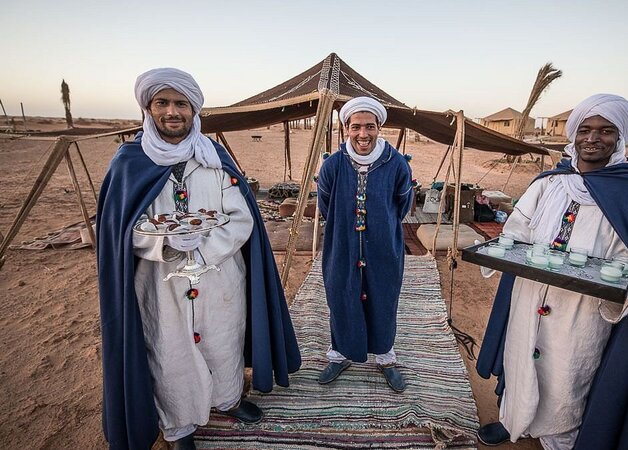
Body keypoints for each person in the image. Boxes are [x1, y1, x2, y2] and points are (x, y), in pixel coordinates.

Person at [96, 68, 301, 450]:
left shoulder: (213, 156)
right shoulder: (129, 161)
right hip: (161, 283)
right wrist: (166, 244)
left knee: (223, 342)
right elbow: (122, 229)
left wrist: (205, 249)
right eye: (163, 103)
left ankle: (227, 400)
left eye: (181, 104)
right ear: (148, 107)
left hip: (221, 275)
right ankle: (179, 425)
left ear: (193, 110)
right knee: (169, 352)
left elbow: (241, 217)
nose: (172, 111)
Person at [475, 94, 628, 449]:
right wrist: (501, 250)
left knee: (567, 375)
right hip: (531, 292)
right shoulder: (549, 183)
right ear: (574, 134)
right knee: (520, 357)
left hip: (582, 311)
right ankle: (513, 419)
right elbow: (517, 229)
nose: (593, 138)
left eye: (605, 131)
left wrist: (623, 288)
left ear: (620, 137)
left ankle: (558, 438)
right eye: (585, 129)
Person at [315, 96, 414, 392]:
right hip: (342, 246)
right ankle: (341, 353)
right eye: (355, 126)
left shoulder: (396, 163)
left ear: (379, 127)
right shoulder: (333, 165)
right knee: (341, 297)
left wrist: (380, 227)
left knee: (383, 299)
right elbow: (325, 204)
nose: (363, 134)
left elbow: (402, 203)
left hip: (384, 247)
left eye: (369, 126)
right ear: (345, 127)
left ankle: (385, 357)